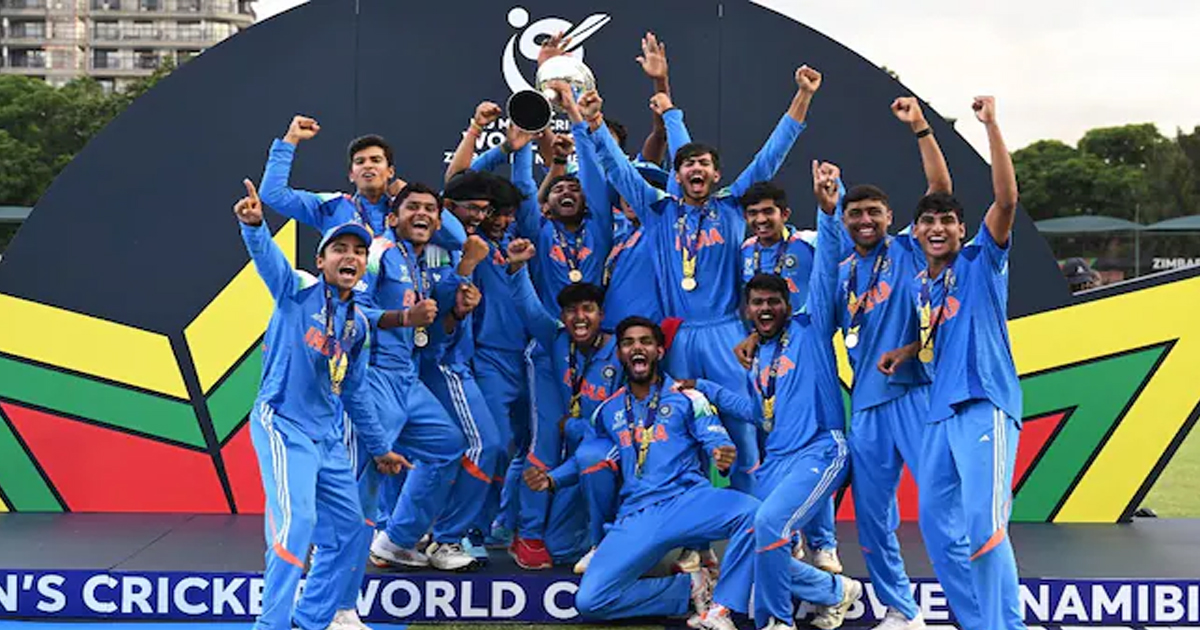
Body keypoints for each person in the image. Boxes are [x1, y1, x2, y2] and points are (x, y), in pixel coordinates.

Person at [584, 64, 823, 496]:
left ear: (716, 175)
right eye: (688, 164)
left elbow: (770, 155)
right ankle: (690, 525)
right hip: (678, 336)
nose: (696, 169)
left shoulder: (732, 206)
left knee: (742, 430)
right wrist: (596, 124)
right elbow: (619, 171)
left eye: (704, 164)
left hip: (727, 333)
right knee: (680, 431)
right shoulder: (658, 210)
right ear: (677, 176)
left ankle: (753, 519)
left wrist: (803, 96)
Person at [687, 163, 862, 630]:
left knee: (768, 528)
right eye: (758, 304)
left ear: (788, 304)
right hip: (778, 458)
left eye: (773, 302)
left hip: (820, 449)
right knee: (751, 529)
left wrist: (828, 209)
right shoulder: (758, 356)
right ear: (747, 310)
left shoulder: (811, 328)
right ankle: (829, 593)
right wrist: (704, 387)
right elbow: (756, 412)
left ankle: (776, 620)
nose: (765, 309)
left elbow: (826, 268)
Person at [232, 180, 408, 630]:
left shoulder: (359, 325)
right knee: (297, 524)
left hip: (327, 438)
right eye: (339, 249)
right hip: (282, 424)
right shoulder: (297, 290)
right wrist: (254, 227)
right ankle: (270, 625)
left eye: (358, 251)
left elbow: (355, 392)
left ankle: (309, 620)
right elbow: (269, 261)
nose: (350, 256)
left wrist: (381, 448)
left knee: (350, 530)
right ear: (321, 260)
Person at [878, 96, 1024, 630]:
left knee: (985, 529)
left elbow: (1006, 199)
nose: (937, 227)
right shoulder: (922, 280)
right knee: (939, 531)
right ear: (916, 232)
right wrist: (907, 351)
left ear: (963, 230)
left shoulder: (982, 260)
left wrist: (990, 126)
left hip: (984, 404)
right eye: (928, 221)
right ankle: (976, 622)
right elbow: (941, 329)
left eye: (947, 221)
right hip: (939, 416)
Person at [522, 314, 759, 624]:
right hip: (637, 515)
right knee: (590, 601)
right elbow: (589, 455)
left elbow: (715, 438)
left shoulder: (688, 397)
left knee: (757, 515)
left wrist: (721, 455)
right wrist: (552, 480)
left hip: (687, 500)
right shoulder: (607, 409)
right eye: (628, 343)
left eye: (646, 342)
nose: (637, 348)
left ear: (659, 351)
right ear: (620, 353)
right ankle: (688, 589)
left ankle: (723, 604)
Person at [360, 183, 477, 572]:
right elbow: (350, 308)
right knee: (364, 464)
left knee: (447, 445)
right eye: (413, 207)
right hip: (373, 373)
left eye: (430, 209)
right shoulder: (377, 251)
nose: (422, 214)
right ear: (393, 217)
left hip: (408, 377)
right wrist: (401, 318)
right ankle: (328, 548)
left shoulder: (421, 263)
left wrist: (456, 312)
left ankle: (396, 540)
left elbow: (431, 335)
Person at [734, 179, 837, 574]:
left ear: (785, 214)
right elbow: (749, 302)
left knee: (810, 448)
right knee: (773, 445)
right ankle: (788, 537)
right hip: (766, 353)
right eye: (753, 213)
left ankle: (823, 543)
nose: (761, 219)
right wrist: (752, 336)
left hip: (806, 346)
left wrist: (829, 207)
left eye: (768, 212)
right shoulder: (745, 251)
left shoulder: (808, 243)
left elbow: (833, 269)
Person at [506, 237, 624, 570]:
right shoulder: (558, 340)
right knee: (558, 548)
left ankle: (615, 539)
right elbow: (530, 308)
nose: (579, 317)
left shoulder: (621, 351)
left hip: (608, 450)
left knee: (592, 462)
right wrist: (518, 267)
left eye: (588, 309)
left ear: (601, 314)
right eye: (571, 311)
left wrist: (574, 426)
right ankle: (540, 533)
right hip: (576, 455)